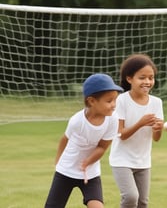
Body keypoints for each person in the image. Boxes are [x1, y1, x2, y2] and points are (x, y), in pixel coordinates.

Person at [45, 73, 124, 208]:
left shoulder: (112, 119)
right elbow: (64, 139)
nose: (114, 105)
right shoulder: (77, 121)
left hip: (90, 173)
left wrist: (88, 161)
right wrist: (58, 163)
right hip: (66, 171)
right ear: (92, 101)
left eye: (115, 100)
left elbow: (102, 147)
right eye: (109, 101)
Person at [109, 54, 164, 208]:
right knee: (130, 197)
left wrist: (158, 129)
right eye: (142, 78)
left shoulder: (157, 103)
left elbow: (156, 138)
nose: (147, 82)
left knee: (143, 202)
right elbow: (121, 134)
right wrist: (140, 123)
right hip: (122, 160)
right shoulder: (121, 100)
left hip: (143, 161)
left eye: (151, 78)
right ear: (129, 79)